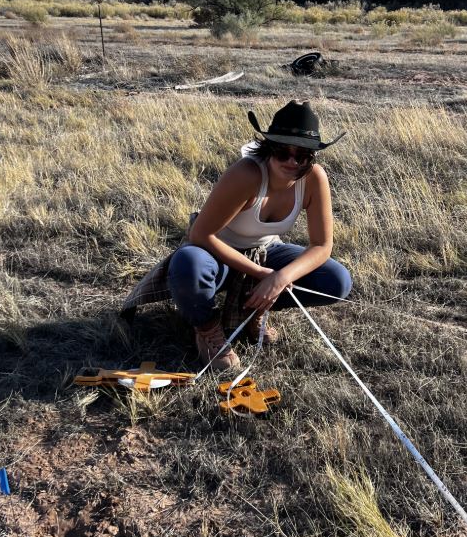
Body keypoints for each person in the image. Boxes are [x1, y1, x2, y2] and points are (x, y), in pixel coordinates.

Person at [120, 100, 352, 372]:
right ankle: (207, 328)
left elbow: (322, 245)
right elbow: (201, 234)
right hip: (215, 252)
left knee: (337, 280)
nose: (292, 161)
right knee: (188, 265)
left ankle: (254, 310)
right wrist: (260, 273)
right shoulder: (247, 173)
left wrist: (280, 277)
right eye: (282, 151)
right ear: (268, 147)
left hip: (265, 251)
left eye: (302, 155)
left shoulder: (313, 178)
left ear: (312, 156)